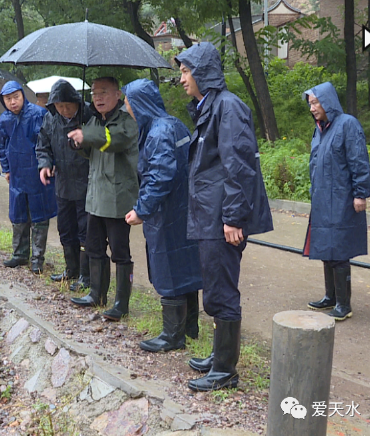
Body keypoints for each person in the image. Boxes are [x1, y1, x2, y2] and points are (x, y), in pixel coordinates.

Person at [175, 42, 273, 392]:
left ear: (202, 72)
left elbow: (239, 166)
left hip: (222, 219)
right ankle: (219, 356)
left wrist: (232, 217)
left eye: (186, 71)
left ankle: (226, 371)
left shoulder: (227, 107)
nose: (181, 78)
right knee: (214, 286)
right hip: (210, 215)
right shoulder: (209, 107)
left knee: (222, 290)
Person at [122, 79, 203, 352]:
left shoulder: (157, 133)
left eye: (128, 100)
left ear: (139, 103)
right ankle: (191, 326)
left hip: (166, 212)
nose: (126, 106)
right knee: (187, 267)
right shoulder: (175, 124)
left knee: (168, 268)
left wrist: (141, 210)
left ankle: (172, 335)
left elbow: (159, 176)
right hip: (183, 207)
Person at [67, 77, 139, 321]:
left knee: (120, 252)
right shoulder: (94, 120)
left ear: (118, 95)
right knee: (94, 247)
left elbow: (112, 141)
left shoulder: (126, 122)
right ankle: (96, 294)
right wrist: (79, 142)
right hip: (96, 196)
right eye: (95, 93)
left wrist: (87, 133)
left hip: (118, 199)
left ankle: (121, 303)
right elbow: (92, 152)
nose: (98, 98)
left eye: (104, 92)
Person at [303, 82, 370, 321]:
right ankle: (330, 297)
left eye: (315, 102)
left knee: (339, 250)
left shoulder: (347, 124)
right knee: (326, 248)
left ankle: (344, 305)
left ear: (327, 101)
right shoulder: (320, 128)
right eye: (310, 103)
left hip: (342, 199)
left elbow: (359, 160)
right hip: (323, 199)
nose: (312, 108)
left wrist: (361, 193)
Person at [36, 79, 93, 291]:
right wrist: (45, 164)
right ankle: (71, 269)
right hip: (62, 183)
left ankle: (86, 275)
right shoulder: (51, 119)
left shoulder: (88, 116)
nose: (64, 110)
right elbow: (42, 145)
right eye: (59, 106)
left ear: (76, 101)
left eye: (68, 105)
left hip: (86, 183)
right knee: (65, 228)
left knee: (85, 232)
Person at [0, 81, 56, 274]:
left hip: (37, 173)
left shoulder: (38, 114)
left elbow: (49, 142)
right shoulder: (4, 119)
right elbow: (1, 146)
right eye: (8, 99)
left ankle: (37, 258)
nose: (13, 102)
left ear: (23, 96)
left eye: (16, 97)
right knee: (18, 215)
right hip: (16, 174)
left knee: (39, 216)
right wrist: (6, 169)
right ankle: (20, 254)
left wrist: (48, 164)